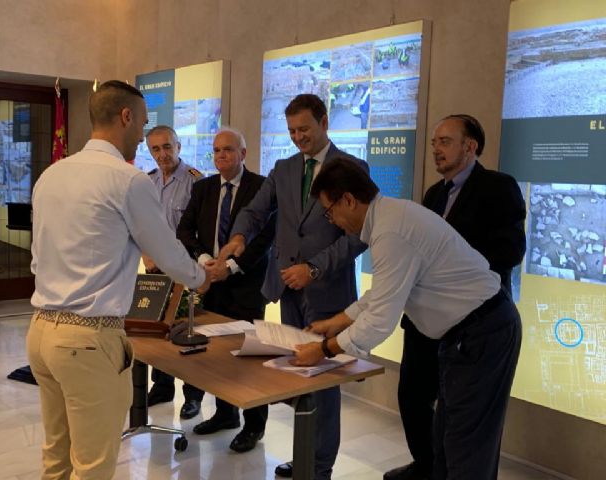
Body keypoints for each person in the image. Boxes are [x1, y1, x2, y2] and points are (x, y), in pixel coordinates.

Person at [294, 157, 522, 480]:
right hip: (464, 334)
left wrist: (323, 350)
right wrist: (339, 321)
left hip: (484, 331)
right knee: (446, 443)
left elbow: (379, 321)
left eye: (330, 212)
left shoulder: (391, 231)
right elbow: (386, 291)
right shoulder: (389, 219)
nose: (333, 222)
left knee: (467, 449)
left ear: (349, 200)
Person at [27, 80, 210, 480]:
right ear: (126, 117)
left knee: (57, 457)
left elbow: (38, 260)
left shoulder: (51, 175)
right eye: (142, 124)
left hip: (41, 333)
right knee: (93, 467)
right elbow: (167, 253)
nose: (143, 136)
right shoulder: (128, 179)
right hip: (88, 340)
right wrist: (200, 276)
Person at [220, 93, 368, 480]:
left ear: (324, 122)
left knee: (324, 382)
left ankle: (318, 467)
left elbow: (358, 235)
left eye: (304, 129)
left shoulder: (351, 168)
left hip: (328, 293)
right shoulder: (284, 169)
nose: (298, 137)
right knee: (299, 376)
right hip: (288, 290)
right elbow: (255, 210)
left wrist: (314, 269)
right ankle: (304, 454)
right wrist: (239, 237)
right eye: (291, 131)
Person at [391, 114, 526, 480]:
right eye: (435, 142)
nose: (436, 149)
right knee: (413, 396)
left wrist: (455, 263)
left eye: (445, 142)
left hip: (474, 321)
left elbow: (510, 250)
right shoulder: (434, 194)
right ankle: (427, 466)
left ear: (470, 146)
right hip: (427, 319)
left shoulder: (498, 187)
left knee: (466, 421)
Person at [177, 127, 275, 453]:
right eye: (217, 150)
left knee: (248, 358)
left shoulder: (261, 187)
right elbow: (185, 230)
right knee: (217, 355)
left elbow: (265, 237)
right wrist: (205, 260)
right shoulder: (203, 187)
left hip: (247, 286)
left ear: (243, 154)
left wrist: (230, 266)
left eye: (228, 150)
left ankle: (254, 425)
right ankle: (225, 414)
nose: (221, 155)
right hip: (212, 284)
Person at [143, 125, 204, 417]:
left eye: (167, 147)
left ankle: (193, 395)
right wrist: (146, 253)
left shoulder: (196, 181)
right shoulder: (147, 182)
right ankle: (162, 386)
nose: (162, 154)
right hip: (156, 267)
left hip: (185, 267)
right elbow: (141, 225)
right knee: (159, 329)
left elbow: (201, 230)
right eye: (155, 149)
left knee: (189, 328)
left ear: (178, 146)